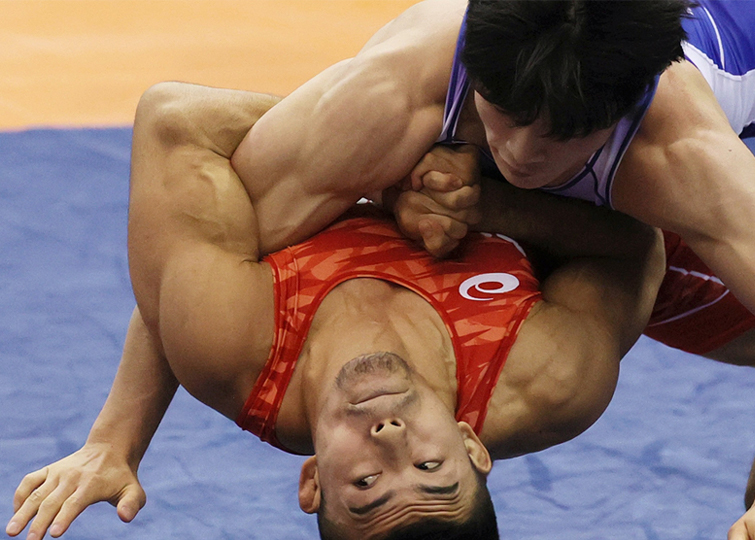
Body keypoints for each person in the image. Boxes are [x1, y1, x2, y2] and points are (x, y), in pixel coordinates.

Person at [7, 84, 755, 540]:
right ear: (470, 447)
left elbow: (180, 120)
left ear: (312, 484)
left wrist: (392, 167)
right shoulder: (544, 381)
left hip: (468, 142)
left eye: (364, 485)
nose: (390, 441)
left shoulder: (234, 344)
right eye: (430, 469)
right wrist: (480, 198)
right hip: (600, 212)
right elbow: (635, 245)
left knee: (318, 154)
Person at [227, 0, 755, 317]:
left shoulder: (685, 156)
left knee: (626, 289)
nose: (522, 155)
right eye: (503, 114)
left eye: (564, 135)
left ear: (625, 110)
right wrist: (137, 441)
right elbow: (215, 246)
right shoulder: (404, 81)